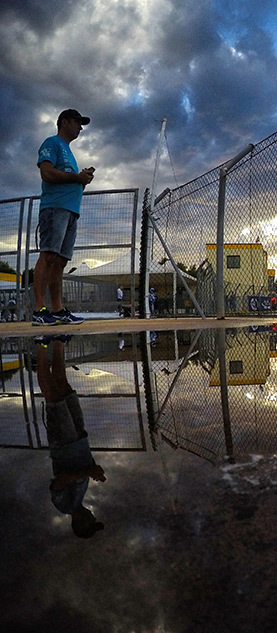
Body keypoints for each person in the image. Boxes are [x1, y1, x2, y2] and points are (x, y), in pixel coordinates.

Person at [35, 334, 106, 538]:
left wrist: (88, 472)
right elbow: (83, 469)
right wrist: (92, 468)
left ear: (81, 525)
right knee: (64, 388)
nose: (92, 516)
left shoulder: (66, 507)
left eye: (91, 522)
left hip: (64, 443)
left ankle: (41, 345)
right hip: (78, 439)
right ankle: (57, 341)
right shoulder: (79, 498)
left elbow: (58, 483)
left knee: (53, 398)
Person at [32, 109, 95, 326]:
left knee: (60, 261)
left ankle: (57, 310)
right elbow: (47, 173)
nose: (80, 127)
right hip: (55, 208)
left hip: (70, 210)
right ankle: (40, 309)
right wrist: (76, 177)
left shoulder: (68, 151)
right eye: (77, 122)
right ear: (64, 122)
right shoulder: (52, 143)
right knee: (48, 255)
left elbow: (68, 177)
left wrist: (81, 179)